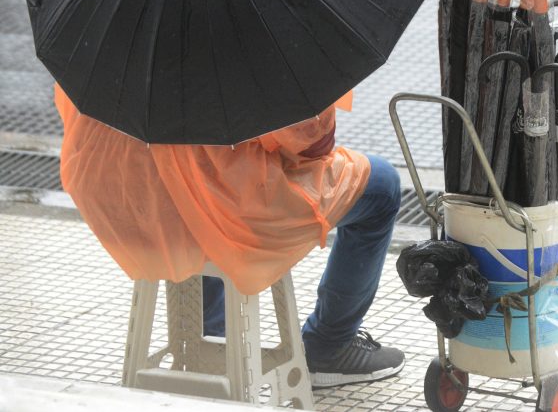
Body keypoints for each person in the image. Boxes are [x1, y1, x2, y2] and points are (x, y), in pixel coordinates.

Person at [54, 85, 404, 388]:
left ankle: (210, 341)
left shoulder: (113, 23)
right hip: (214, 205)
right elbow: (311, 144)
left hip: (121, 200)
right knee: (382, 187)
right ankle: (329, 347)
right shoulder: (257, 25)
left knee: (194, 176)